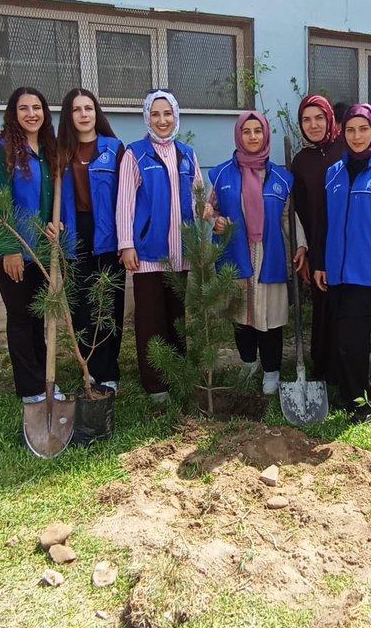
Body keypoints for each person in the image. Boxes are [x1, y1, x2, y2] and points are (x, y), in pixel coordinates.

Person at [314, 105, 371, 421]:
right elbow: (325, 222)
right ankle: (350, 395)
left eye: (363, 129)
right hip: (337, 270)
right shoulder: (334, 174)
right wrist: (320, 263)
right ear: (343, 131)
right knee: (344, 338)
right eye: (350, 130)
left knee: (354, 339)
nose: (356, 136)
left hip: (370, 273)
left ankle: (366, 402)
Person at [208, 111, 307, 394]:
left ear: (266, 135)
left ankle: (272, 371)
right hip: (237, 252)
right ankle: (249, 363)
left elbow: (290, 216)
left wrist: (301, 245)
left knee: (272, 316)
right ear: (239, 135)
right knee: (242, 314)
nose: (253, 137)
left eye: (258, 131)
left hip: (270, 254)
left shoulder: (281, 178)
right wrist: (213, 220)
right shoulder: (222, 174)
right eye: (247, 131)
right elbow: (207, 208)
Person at [116, 90, 202, 403]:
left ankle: (178, 374)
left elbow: (197, 198)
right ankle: (156, 386)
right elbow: (124, 202)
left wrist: (204, 231)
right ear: (147, 117)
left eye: (168, 114)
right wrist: (126, 244)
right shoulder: (135, 154)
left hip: (182, 254)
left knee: (176, 317)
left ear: (176, 116)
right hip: (149, 255)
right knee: (151, 320)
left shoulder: (187, 154)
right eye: (156, 114)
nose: (162, 120)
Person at [0, 87, 58, 403]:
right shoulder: (2, 150)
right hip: (13, 250)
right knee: (20, 317)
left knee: (38, 317)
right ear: (13, 113)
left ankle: (44, 377)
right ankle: (30, 390)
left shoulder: (48, 149)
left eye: (37, 107)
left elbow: (54, 198)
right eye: (24, 108)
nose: (31, 114)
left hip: (42, 251)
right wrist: (9, 249)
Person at [58, 88, 125, 391]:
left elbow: (126, 197)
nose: (84, 114)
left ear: (96, 112)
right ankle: (92, 366)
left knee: (109, 304)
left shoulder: (114, 148)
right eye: (76, 109)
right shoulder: (60, 152)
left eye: (89, 108)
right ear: (68, 116)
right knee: (82, 305)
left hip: (109, 234)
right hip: (74, 235)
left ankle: (110, 369)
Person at [290, 96, 346, 381]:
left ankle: (354, 366)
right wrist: (307, 252)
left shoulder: (346, 148)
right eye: (306, 120)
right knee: (323, 306)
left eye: (319, 118)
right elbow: (299, 210)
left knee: (350, 305)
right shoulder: (300, 162)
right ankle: (325, 368)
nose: (313, 125)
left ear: (329, 117)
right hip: (319, 247)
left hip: (350, 245)